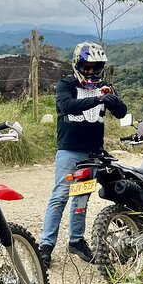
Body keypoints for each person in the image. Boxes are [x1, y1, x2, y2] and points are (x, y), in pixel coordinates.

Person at [38, 41, 127, 268]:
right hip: (69, 150)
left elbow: (121, 112)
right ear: (78, 65)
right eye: (86, 66)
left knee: (81, 197)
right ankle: (45, 246)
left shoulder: (105, 86)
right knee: (59, 196)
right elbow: (66, 106)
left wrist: (112, 97)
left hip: (93, 152)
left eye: (95, 67)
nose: (90, 71)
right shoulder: (65, 84)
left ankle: (76, 241)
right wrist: (98, 99)